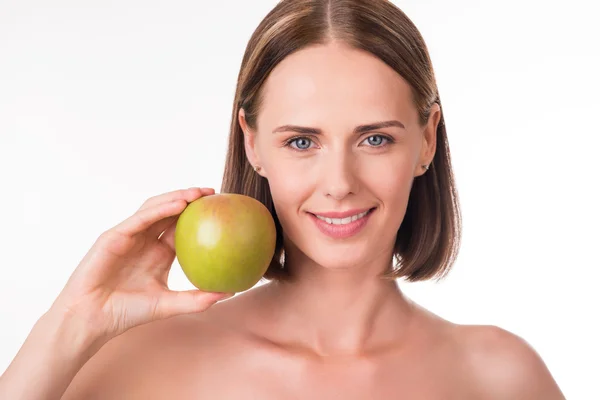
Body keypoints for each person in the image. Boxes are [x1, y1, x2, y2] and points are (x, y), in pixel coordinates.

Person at [0, 0, 565, 398]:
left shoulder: (501, 378)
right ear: (252, 144)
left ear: (427, 140)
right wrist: (71, 324)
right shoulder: (146, 362)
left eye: (375, 139)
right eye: (301, 141)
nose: (339, 181)